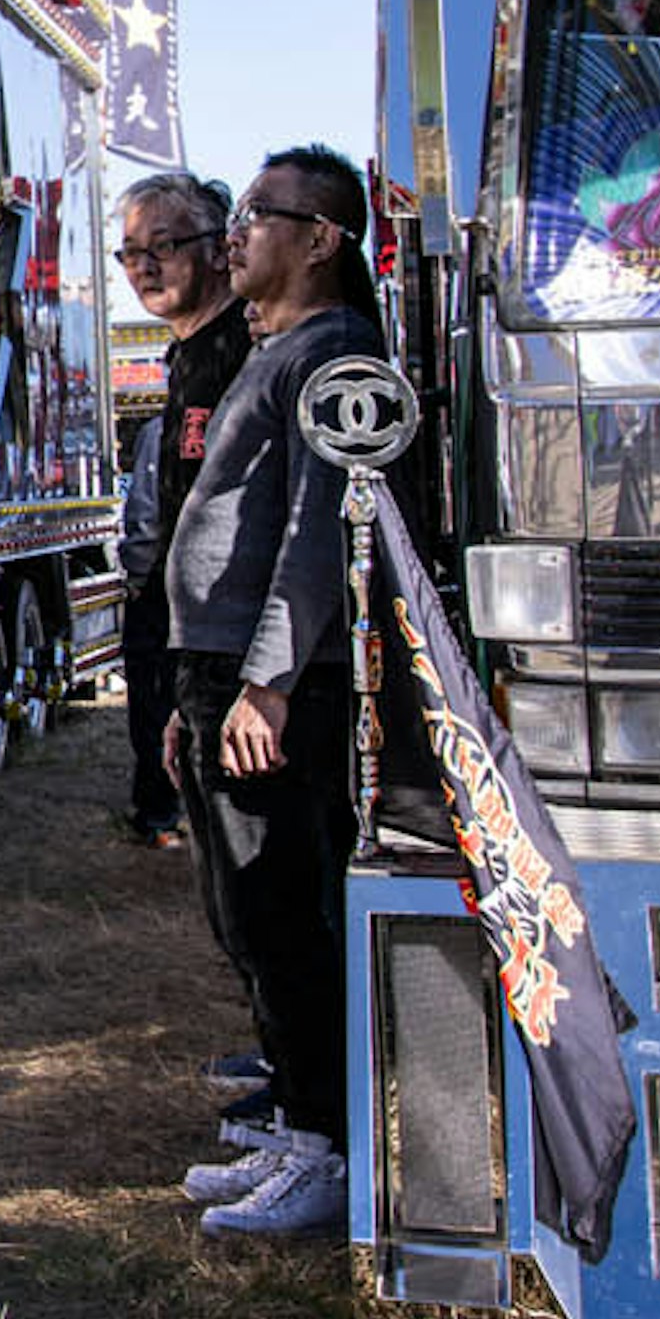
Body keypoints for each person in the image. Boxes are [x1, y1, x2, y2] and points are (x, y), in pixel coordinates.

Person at [166, 145, 386, 1240]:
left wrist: (266, 683)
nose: (236, 231)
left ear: (322, 239)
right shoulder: (281, 348)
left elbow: (319, 540)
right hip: (225, 675)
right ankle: (298, 1114)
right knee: (248, 907)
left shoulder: (338, 353)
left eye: (261, 213)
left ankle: (329, 1145)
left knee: (290, 907)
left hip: (279, 684)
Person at [112, 172, 246, 849]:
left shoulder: (247, 355)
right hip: (183, 638)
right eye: (130, 252)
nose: (144, 266)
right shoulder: (186, 356)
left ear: (221, 248)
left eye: (163, 245)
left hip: (237, 652)